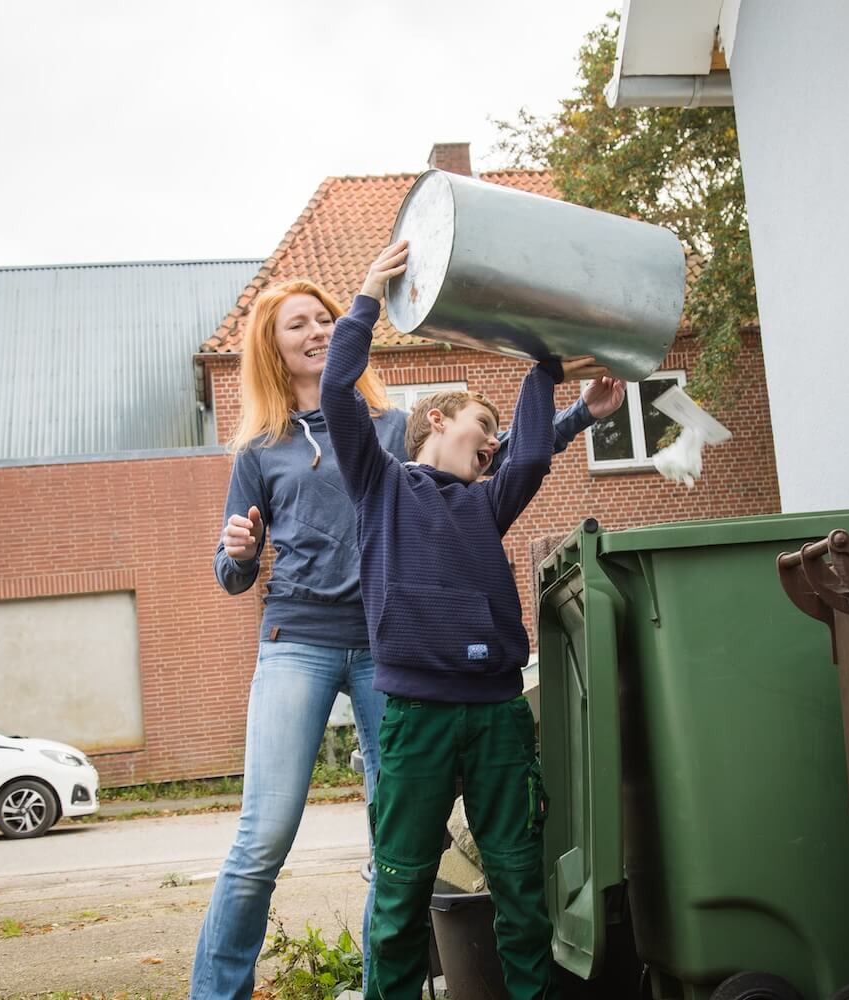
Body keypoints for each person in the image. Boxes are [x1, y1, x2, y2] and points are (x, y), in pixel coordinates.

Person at [190, 258, 625, 1000]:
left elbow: (507, 453)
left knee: (401, 843)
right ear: (272, 344)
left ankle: (380, 984)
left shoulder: (398, 433)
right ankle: (217, 991)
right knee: (268, 837)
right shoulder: (276, 452)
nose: (319, 330)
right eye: (301, 323)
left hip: (396, 654)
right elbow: (234, 573)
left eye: (326, 319)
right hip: (305, 637)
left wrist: (572, 405)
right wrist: (239, 552)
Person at [320, 240, 567, 1000]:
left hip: (495, 716)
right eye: (479, 425)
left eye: (496, 432)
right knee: (398, 900)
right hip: (418, 716)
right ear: (437, 417)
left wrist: (546, 373)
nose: (492, 441)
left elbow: (528, 456)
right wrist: (366, 298)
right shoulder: (382, 484)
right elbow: (336, 391)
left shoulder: (487, 502)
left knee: (520, 896)